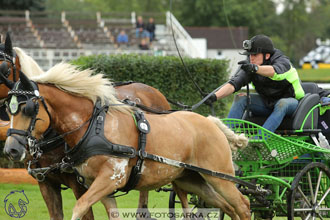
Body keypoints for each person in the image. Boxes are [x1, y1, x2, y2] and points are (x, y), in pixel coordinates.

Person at [205, 34, 305, 133]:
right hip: (267, 103)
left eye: (255, 55)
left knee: (282, 103)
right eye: (250, 55)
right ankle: (227, 137)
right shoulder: (251, 65)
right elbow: (234, 84)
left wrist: (255, 68)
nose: (251, 58)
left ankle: (259, 140)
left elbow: (275, 72)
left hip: (292, 103)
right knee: (240, 98)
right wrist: (214, 96)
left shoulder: (283, 61)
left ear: (267, 55)